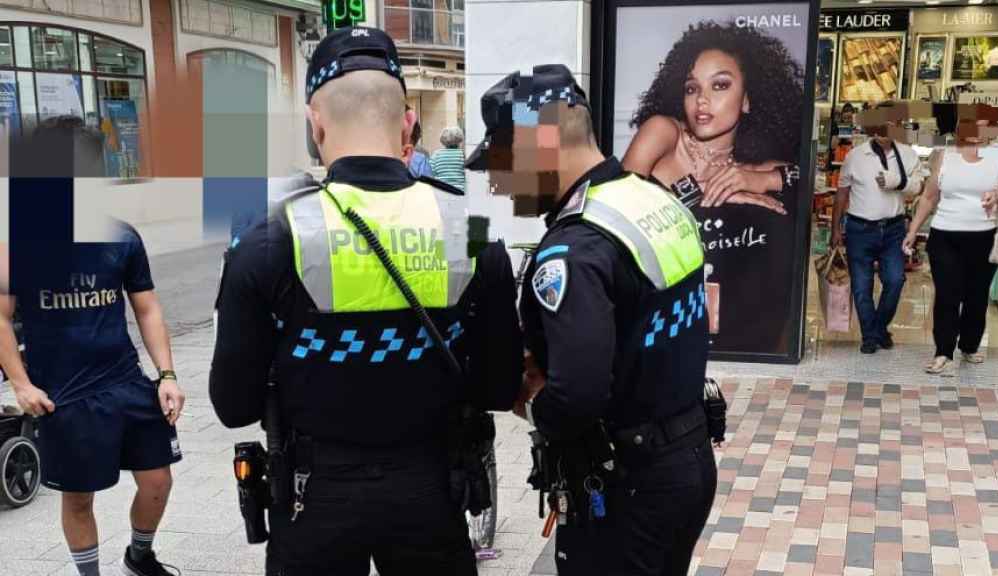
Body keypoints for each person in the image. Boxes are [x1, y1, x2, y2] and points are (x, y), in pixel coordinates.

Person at [209, 26, 523, 575]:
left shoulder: (268, 241)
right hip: (432, 490)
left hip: (314, 498)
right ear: (408, 122)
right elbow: (498, 387)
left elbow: (233, 405)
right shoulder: (471, 230)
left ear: (315, 125)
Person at [467, 64, 717, 576]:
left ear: (541, 144)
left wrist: (531, 403)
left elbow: (576, 397)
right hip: (685, 458)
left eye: (502, 162)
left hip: (627, 485)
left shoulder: (576, 250)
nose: (496, 184)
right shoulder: (652, 200)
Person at [0, 118, 185, 576]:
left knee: (158, 480)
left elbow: (147, 308)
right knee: (79, 498)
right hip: (64, 393)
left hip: (125, 381)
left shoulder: (121, 237)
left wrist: (166, 375)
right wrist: (21, 384)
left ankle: (139, 556)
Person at [622, 21, 803, 355]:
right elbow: (617, 209)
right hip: (656, 325)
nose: (702, 100)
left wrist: (761, 180)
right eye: (692, 88)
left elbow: (807, 179)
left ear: (747, 99)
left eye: (719, 85)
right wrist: (701, 191)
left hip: (739, 337)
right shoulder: (664, 134)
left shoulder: (751, 167)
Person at [903, 122, 998, 375]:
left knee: (976, 295)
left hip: (984, 236)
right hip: (944, 234)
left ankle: (969, 345)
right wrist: (912, 230)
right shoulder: (946, 155)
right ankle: (943, 352)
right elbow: (929, 196)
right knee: (947, 294)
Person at [833, 105, 924, 354]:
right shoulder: (855, 156)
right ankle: (870, 337)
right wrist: (835, 229)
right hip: (859, 229)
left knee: (895, 280)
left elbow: (920, 187)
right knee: (862, 287)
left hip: (893, 229)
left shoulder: (907, 155)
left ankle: (878, 328)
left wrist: (899, 182)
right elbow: (842, 193)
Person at [430, 126, 467, 191]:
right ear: (459, 139)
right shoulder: (463, 155)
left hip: (440, 191)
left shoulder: (436, 154)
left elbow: (430, 173)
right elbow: (467, 174)